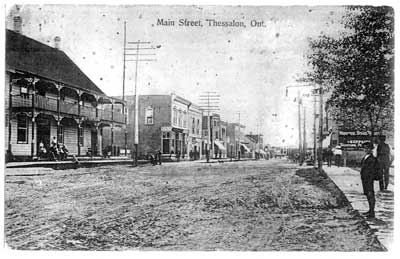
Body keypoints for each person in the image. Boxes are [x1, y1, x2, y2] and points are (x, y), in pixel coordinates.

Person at [360, 142, 379, 219]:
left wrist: (369, 178)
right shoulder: (366, 157)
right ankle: (370, 210)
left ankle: (372, 212)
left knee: (370, 194)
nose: (366, 149)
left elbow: (371, 170)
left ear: (371, 149)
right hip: (365, 179)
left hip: (368, 179)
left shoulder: (372, 159)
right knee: (368, 194)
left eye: (367, 148)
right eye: (365, 148)